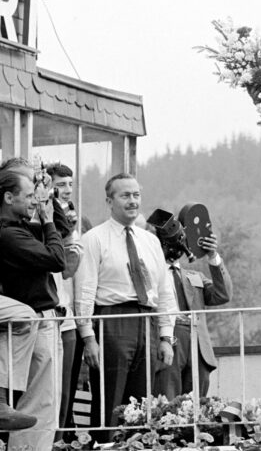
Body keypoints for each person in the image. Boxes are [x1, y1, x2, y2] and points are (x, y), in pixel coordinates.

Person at [73, 174, 178, 430]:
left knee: (144, 406)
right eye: (125, 196)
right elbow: (84, 292)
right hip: (112, 322)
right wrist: (88, 337)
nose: (132, 201)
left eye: (136, 195)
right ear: (110, 201)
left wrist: (166, 337)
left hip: (147, 323)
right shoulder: (94, 239)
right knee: (110, 401)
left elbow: (164, 292)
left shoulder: (151, 241)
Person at [0, 170, 66, 448]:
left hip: (43, 318)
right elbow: (56, 258)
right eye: (28, 196)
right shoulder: (8, 233)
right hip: (34, 318)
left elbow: (61, 230)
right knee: (39, 402)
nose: (32, 202)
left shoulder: (20, 226)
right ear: (7, 197)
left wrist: (48, 196)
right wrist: (47, 219)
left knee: (46, 402)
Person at [154, 232, 232, 398]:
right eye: (167, 243)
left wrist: (213, 256)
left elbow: (223, 294)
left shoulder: (194, 276)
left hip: (197, 343)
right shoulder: (152, 276)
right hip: (168, 339)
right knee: (167, 397)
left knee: (197, 400)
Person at [46, 162, 84, 433]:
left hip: (68, 315)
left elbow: (72, 271)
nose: (68, 191)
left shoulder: (75, 223)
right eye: (60, 185)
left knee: (66, 388)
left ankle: (60, 434)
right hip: (46, 312)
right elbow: (66, 265)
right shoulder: (42, 223)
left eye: (70, 184)